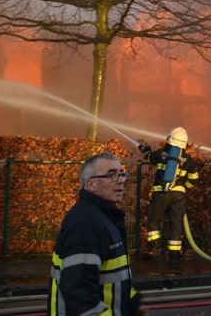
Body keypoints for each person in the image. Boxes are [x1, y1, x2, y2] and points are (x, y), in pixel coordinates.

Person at [48, 152, 148, 316]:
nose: (122, 179)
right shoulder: (85, 223)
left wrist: (133, 302)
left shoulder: (105, 217)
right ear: (91, 184)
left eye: (122, 173)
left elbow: (111, 277)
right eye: (112, 175)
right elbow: (80, 292)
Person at [138, 126, 199, 267]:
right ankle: (174, 257)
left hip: (161, 193)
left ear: (170, 139)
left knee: (154, 220)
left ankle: (154, 251)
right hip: (179, 196)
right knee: (176, 225)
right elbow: (194, 178)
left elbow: (150, 158)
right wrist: (184, 187)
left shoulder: (161, 154)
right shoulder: (188, 159)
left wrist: (146, 150)